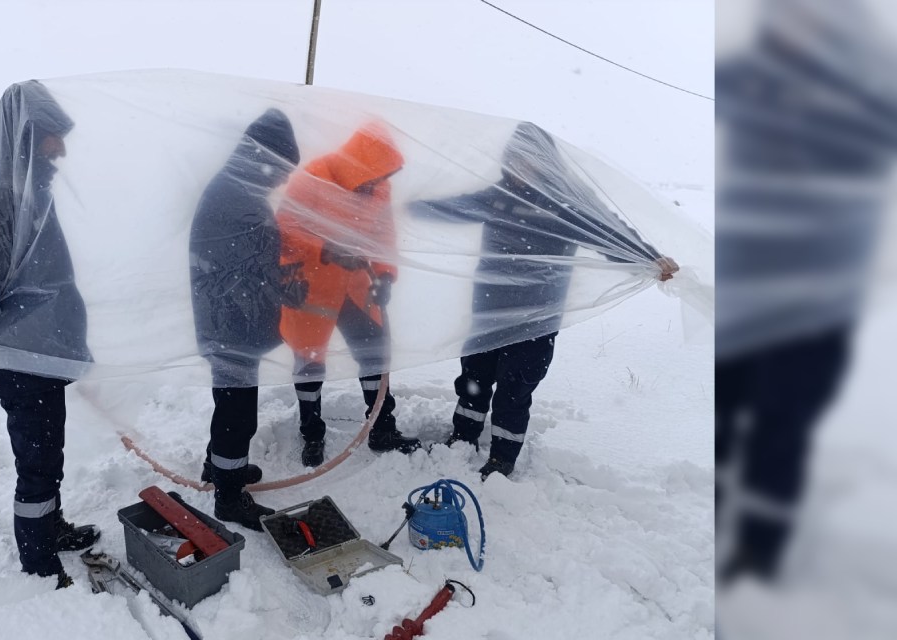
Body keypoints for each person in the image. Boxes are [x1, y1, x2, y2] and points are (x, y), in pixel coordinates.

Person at [714, 0, 897, 584]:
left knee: (780, 427)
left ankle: (760, 555)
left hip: (814, 309)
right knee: (722, 416)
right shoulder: (747, 78)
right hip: (745, 296)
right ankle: (718, 527)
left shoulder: (866, 93)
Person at [411, 122, 677, 480]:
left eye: (530, 160)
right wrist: (406, 208)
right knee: (474, 380)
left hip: (537, 316)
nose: (522, 167)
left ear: (546, 162)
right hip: (489, 309)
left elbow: (608, 232)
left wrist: (648, 257)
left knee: (514, 390)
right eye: (516, 159)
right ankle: (462, 439)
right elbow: (455, 208)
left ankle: (502, 458)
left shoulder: (565, 203)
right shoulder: (499, 195)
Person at [0, 81, 99, 588]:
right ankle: (38, 561)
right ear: (28, 135)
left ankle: (50, 527)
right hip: (20, 359)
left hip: (40, 353)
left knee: (45, 454)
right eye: (54, 136)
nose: (62, 148)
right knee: (36, 463)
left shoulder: (32, 193)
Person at [276, 121, 421, 467]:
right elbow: (286, 229)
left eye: (382, 177)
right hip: (313, 286)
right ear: (361, 163)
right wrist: (325, 250)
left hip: (357, 287)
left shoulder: (380, 189)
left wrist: (385, 275)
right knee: (309, 361)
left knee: (375, 356)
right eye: (374, 175)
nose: (377, 183)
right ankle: (312, 433)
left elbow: (384, 237)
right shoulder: (313, 178)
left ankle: (381, 427)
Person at [189, 108, 306, 530]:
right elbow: (247, 268)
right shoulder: (236, 198)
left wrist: (280, 281)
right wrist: (285, 284)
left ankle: (218, 467)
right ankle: (229, 495)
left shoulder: (236, 189)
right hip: (230, 326)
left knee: (229, 404)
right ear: (266, 158)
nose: (282, 180)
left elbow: (252, 261)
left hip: (228, 322)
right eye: (281, 170)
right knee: (238, 415)